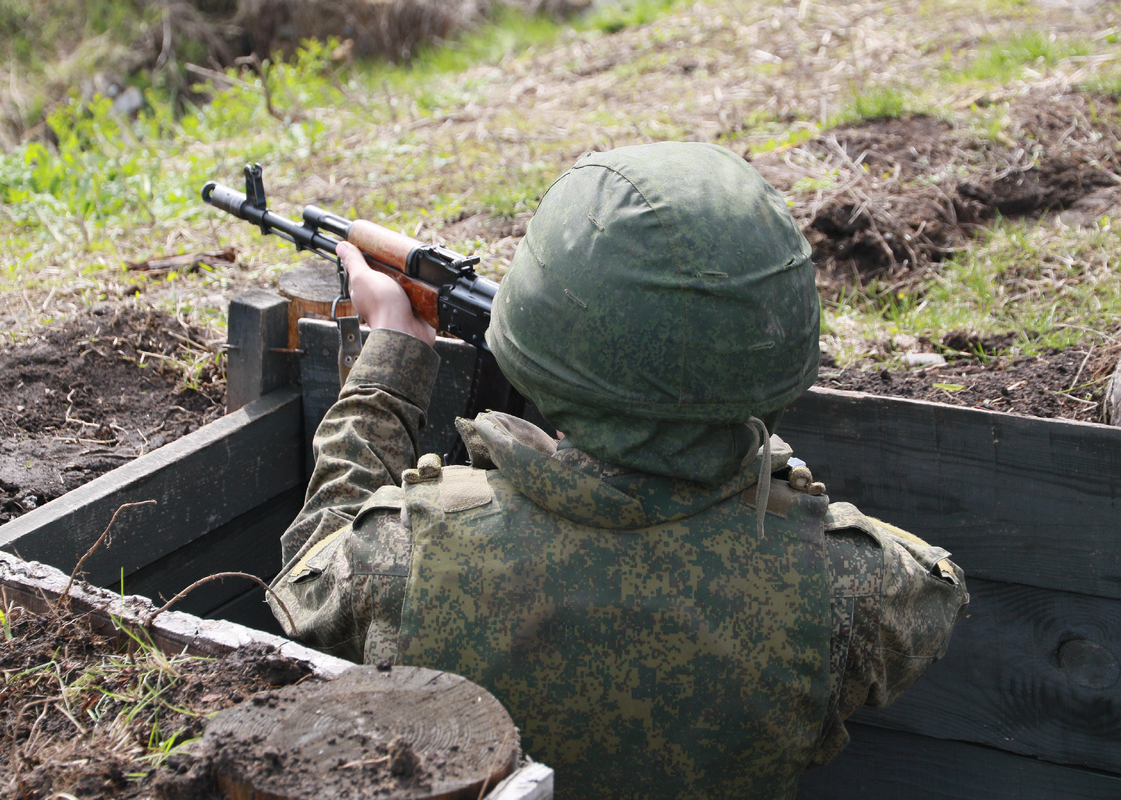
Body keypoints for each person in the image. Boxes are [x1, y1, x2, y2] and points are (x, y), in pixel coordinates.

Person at [268, 142, 968, 798]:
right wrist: (759, 465)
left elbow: (302, 583)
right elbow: (941, 593)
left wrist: (390, 358)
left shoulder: (399, 556)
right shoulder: (857, 588)